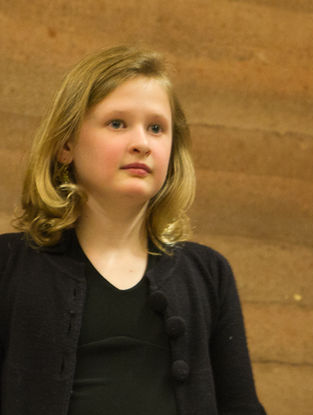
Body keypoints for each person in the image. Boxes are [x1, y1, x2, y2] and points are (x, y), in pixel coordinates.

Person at [0, 46, 266, 415]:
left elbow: (241, 405)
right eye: (117, 123)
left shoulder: (208, 273)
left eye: (157, 128)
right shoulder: (9, 265)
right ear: (66, 144)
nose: (141, 143)